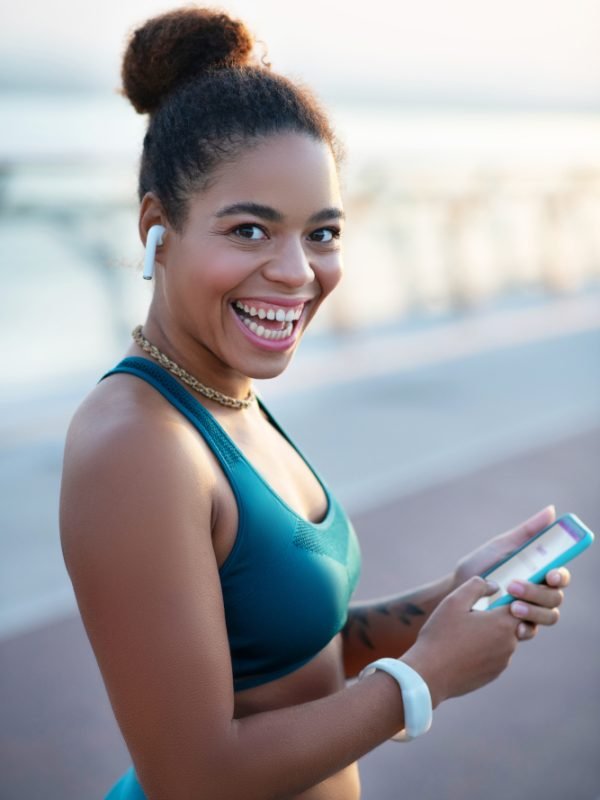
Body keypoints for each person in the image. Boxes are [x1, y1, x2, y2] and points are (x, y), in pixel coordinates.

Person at [59, 8, 571, 800]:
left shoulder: (228, 392)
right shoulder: (137, 443)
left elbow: (287, 648)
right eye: (251, 230)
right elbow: (191, 777)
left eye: (321, 233)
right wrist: (424, 677)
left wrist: (446, 601)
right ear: (158, 229)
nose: (297, 272)